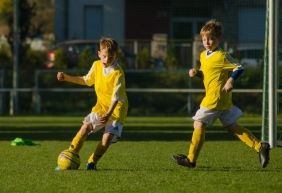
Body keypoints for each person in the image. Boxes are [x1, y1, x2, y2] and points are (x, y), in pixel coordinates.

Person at [172, 19, 270, 168]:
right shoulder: (203, 55)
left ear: (219, 39)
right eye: (204, 39)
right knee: (232, 126)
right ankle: (260, 146)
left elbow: (239, 67)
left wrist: (231, 80)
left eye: (211, 39)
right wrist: (197, 73)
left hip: (215, 98)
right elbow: (208, 73)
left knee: (198, 123)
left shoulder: (222, 55)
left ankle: (191, 159)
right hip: (221, 100)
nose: (208, 42)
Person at [56, 37, 128, 170]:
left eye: (111, 57)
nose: (106, 60)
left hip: (116, 110)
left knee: (106, 139)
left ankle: (92, 163)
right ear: (99, 53)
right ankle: (71, 153)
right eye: (104, 56)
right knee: (86, 126)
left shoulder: (118, 73)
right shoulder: (96, 65)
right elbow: (86, 80)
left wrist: (108, 114)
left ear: (115, 55)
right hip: (101, 107)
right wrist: (66, 78)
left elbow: (115, 98)